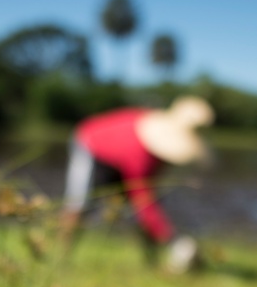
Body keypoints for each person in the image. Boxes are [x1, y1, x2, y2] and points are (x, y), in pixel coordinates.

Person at [60, 96, 214, 272]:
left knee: (151, 207)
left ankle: (151, 263)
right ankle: (61, 258)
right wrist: (174, 240)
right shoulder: (141, 153)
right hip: (91, 144)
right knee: (79, 205)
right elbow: (142, 200)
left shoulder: (158, 149)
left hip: (123, 155)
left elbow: (147, 199)